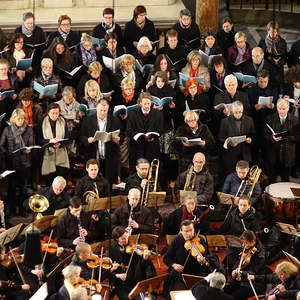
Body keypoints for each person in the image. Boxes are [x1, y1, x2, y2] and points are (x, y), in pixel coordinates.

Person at [163, 220, 222, 293]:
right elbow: (166, 258)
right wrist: (174, 265)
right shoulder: (177, 240)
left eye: (191, 230)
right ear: (181, 231)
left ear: (194, 229)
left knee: (202, 292)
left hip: (198, 272)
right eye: (186, 231)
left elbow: (207, 257)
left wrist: (202, 260)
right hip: (181, 273)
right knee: (180, 292)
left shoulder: (201, 240)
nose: (189, 233)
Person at [0, 108, 34, 216]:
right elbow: (1, 146)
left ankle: (23, 209)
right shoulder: (7, 130)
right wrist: (8, 153)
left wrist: (29, 149)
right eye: (19, 118)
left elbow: (32, 144)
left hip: (25, 163)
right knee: (12, 188)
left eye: (23, 118)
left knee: (23, 188)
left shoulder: (28, 130)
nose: (21, 120)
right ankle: (12, 210)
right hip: (11, 163)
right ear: (14, 118)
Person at [79, 99, 121, 185]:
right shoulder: (87, 120)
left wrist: (118, 139)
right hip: (93, 154)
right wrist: (88, 140)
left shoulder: (115, 120)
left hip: (109, 156)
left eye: (105, 110)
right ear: (96, 109)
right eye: (100, 110)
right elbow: (81, 136)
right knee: (91, 182)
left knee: (109, 182)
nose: (102, 112)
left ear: (108, 109)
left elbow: (121, 135)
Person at [109, 226, 157, 300]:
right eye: (123, 238)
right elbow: (110, 267)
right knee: (126, 298)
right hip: (121, 281)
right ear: (116, 239)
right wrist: (117, 275)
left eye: (127, 236)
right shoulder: (113, 248)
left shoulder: (133, 248)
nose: (126, 240)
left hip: (134, 278)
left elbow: (141, 265)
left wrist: (144, 258)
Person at [264, 98, 299, 183]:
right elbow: (265, 134)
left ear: (288, 108)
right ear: (276, 107)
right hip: (273, 153)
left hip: (287, 154)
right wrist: (272, 138)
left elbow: (298, 136)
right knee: (272, 179)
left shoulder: (295, 120)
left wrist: (286, 137)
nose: (282, 111)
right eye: (279, 108)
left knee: (285, 180)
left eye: (284, 109)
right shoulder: (270, 118)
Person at [224, 230, 266, 300]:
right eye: (242, 242)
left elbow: (254, 272)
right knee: (224, 291)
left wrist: (242, 273)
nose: (243, 245)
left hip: (254, 284)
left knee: (234, 296)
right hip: (241, 280)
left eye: (246, 243)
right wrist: (235, 269)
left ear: (253, 241)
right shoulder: (246, 248)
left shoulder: (260, 255)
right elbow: (238, 262)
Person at [126, 92, 163, 170]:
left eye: (148, 103)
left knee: (152, 169)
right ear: (140, 103)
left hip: (152, 147)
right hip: (137, 147)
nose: (147, 106)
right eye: (144, 104)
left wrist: (152, 135)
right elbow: (129, 130)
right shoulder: (132, 113)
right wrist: (138, 135)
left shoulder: (158, 114)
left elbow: (160, 129)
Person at [36, 102, 70, 185]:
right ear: (48, 113)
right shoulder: (41, 122)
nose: (55, 115)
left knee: (60, 178)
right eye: (53, 113)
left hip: (61, 152)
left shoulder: (63, 121)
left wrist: (60, 144)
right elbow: (38, 140)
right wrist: (49, 141)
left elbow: (67, 137)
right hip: (47, 154)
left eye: (57, 113)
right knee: (49, 180)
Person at [218, 101, 255, 176]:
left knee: (245, 176)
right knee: (231, 176)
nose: (238, 114)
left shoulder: (249, 120)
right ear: (232, 111)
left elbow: (253, 135)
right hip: (231, 154)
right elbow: (221, 138)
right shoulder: (225, 121)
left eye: (240, 112)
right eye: (236, 112)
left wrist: (250, 140)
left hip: (245, 153)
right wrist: (229, 143)